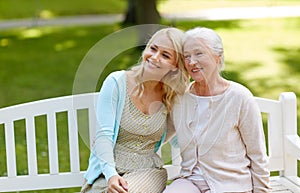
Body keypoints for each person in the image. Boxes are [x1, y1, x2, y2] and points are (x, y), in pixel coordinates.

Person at [81, 27, 189, 193]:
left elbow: (182, 135)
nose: (154, 57)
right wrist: (111, 175)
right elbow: (104, 135)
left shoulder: (173, 97)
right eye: (153, 48)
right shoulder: (117, 82)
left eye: (165, 55)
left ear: (175, 66)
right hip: (107, 172)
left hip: (148, 173)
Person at [164, 27, 271, 193]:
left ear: (217, 56)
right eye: (186, 56)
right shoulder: (180, 98)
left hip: (231, 185)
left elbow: (257, 154)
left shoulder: (240, 97)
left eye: (199, 53)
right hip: (190, 182)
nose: (191, 61)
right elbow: (160, 135)